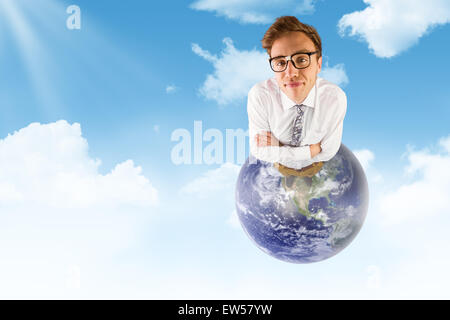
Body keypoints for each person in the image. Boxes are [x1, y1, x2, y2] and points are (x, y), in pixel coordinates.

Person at [247, 16, 347, 177]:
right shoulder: (260, 96)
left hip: (314, 167)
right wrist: (311, 150)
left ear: (319, 64)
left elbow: (328, 153)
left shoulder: (334, 98)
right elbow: (259, 150)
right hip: (280, 167)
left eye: (301, 60)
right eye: (280, 63)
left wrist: (278, 146)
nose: (291, 73)